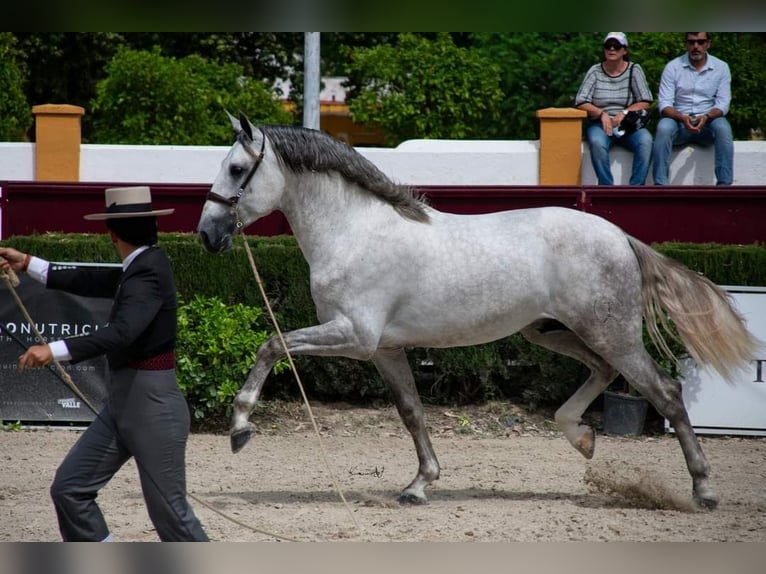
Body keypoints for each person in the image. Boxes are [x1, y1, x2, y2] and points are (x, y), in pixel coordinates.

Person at [0, 186, 208, 542]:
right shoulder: (142, 265)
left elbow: (122, 333)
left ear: (111, 233)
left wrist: (53, 349)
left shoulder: (147, 272)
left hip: (153, 410)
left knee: (172, 517)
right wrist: (27, 263)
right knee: (70, 489)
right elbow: (90, 278)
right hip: (125, 406)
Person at [651, 32, 733, 185]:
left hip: (708, 122)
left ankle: (725, 185)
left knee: (724, 129)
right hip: (679, 122)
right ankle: (660, 185)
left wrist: (706, 117)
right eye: (692, 42)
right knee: (663, 127)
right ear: (686, 44)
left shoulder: (721, 67)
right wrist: (682, 117)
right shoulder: (672, 67)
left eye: (701, 42)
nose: (696, 46)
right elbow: (664, 104)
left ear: (708, 44)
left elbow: (723, 104)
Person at [575, 32, 654, 186]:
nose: (612, 49)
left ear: (624, 50)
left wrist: (624, 113)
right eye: (608, 46)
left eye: (616, 46)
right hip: (600, 123)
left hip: (627, 124)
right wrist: (601, 113)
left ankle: (636, 188)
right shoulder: (595, 71)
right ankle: (606, 187)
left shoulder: (634, 70)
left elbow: (646, 100)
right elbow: (580, 101)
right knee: (597, 142)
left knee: (646, 141)